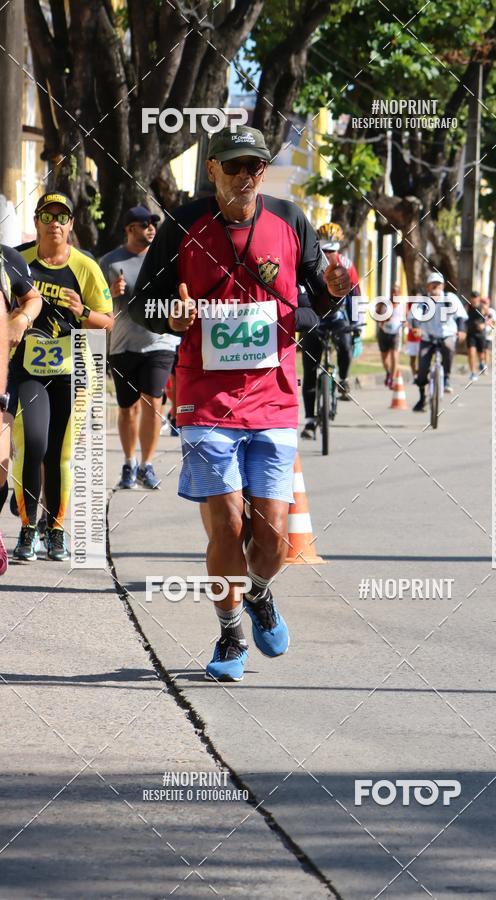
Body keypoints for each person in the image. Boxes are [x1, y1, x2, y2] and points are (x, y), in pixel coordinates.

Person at [129, 125, 350, 683]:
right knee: (227, 527)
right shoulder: (182, 222)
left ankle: (260, 593)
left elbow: (319, 299)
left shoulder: (291, 220)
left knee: (272, 541)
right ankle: (230, 634)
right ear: (212, 171)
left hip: (273, 397)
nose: (247, 176)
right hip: (204, 398)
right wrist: (170, 316)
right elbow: (142, 302)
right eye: (235, 166)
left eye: (255, 165)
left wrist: (328, 293)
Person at [11, 192, 113, 561]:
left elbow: (107, 321)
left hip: (73, 373)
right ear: (37, 222)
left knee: (59, 454)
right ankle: (26, 530)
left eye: (62, 216)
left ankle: (54, 530)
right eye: (47, 215)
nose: (54, 222)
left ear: (71, 224)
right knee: (33, 446)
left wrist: (83, 310)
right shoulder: (18, 261)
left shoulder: (85, 267)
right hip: (28, 371)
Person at [100, 206, 180, 489]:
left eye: (153, 223)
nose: (151, 228)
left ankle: (147, 465)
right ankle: (129, 462)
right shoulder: (109, 262)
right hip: (123, 346)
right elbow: (96, 305)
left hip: (160, 342)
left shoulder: (164, 259)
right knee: (127, 409)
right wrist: (110, 293)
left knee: (153, 401)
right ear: (129, 229)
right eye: (144, 223)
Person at [0, 247, 43, 575]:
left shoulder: (6, 259)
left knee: (1, 462)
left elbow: (33, 298)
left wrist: (22, 318)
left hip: (2, 382)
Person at [299, 223, 361, 437]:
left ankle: (343, 379)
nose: (328, 255)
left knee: (345, 344)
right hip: (313, 320)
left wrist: (356, 324)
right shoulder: (308, 262)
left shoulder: (347, 265)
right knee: (309, 369)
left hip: (337, 318)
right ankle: (308, 421)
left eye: (332, 250)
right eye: (325, 250)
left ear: (339, 249)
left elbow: (355, 296)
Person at [410, 271, 467, 411]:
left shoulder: (449, 298)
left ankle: (446, 378)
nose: (436, 287)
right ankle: (422, 397)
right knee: (422, 368)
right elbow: (415, 316)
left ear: (443, 286)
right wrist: (416, 328)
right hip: (427, 337)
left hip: (446, 335)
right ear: (428, 286)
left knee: (448, 348)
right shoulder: (423, 301)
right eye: (433, 284)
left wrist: (461, 330)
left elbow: (460, 316)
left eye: (438, 284)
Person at [375, 284, 404, 388]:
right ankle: (388, 372)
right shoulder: (384, 304)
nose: (394, 294)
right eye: (393, 292)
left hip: (396, 334)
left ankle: (392, 378)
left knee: (394, 357)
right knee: (384, 358)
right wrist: (382, 318)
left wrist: (406, 324)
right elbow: (377, 316)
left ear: (399, 294)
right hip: (384, 333)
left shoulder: (402, 305)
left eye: (396, 292)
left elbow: (406, 319)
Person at [466, 295, 496, 381]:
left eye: (476, 298)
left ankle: (482, 363)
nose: (474, 300)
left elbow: (491, 319)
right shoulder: (467, 306)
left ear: (478, 299)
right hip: (470, 333)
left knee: (481, 353)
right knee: (471, 353)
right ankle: (473, 373)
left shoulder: (483, 308)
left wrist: (484, 324)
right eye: (473, 298)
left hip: (481, 334)